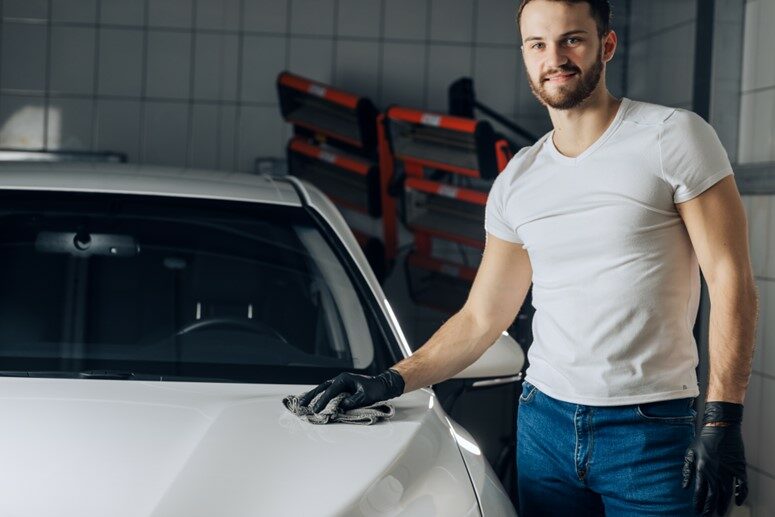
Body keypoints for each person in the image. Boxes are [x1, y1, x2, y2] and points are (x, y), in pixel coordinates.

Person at [299, 0, 757, 515]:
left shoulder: (673, 136)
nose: (555, 57)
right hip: (543, 428)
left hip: (648, 430)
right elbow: (481, 318)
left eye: (572, 40)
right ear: (525, 55)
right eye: (538, 44)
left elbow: (730, 279)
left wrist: (723, 420)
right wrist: (389, 379)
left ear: (606, 45)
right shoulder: (519, 178)